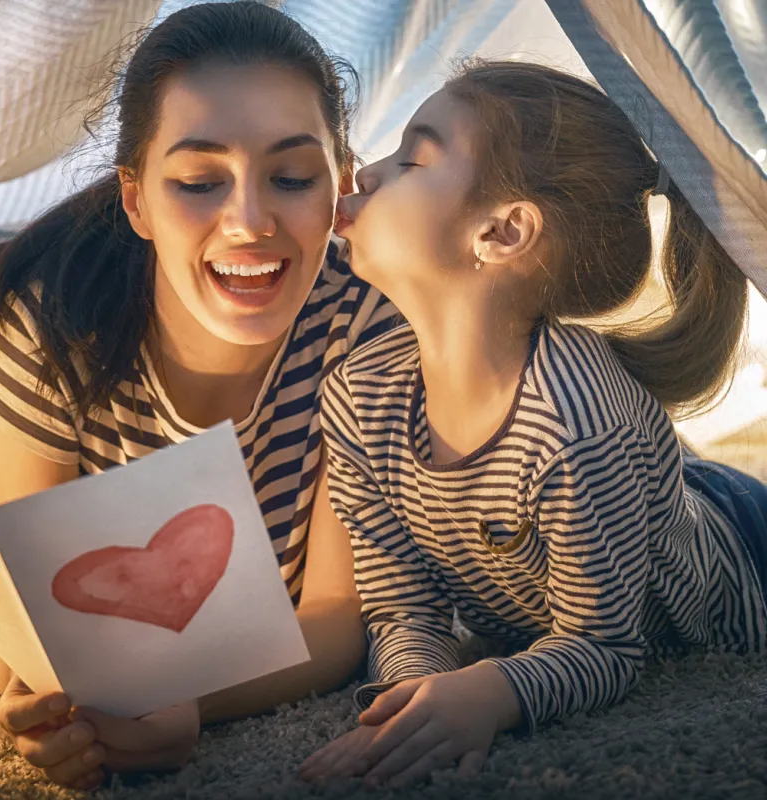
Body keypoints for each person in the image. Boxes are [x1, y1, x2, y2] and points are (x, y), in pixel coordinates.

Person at [300, 60, 767, 789]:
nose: (365, 174)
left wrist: (492, 691)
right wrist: (413, 702)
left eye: (412, 158)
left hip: (742, 541)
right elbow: (400, 610)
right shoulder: (358, 398)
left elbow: (608, 648)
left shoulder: (574, 428)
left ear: (503, 231)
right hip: (643, 495)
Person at [0, 2, 396, 791]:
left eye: (294, 176)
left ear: (339, 184)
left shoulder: (367, 326)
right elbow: (21, 628)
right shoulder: (38, 327)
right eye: (199, 181)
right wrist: (54, 711)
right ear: (136, 200)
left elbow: (336, 620)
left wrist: (183, 701)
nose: (249, 220)